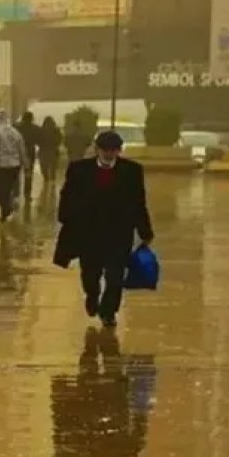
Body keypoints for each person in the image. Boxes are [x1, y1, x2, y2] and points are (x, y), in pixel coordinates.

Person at [54, 131, 154, 328]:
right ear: (97, 149)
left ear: (119, 150)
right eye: (105, 150)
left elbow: (138, 202)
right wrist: (66, 218)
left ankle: (109, 311)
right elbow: (67, 195)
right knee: (90, 273)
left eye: (113, 150)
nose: (109, 154)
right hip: (89, 232)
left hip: (118, 231)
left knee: (115, 275)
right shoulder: (79, 169)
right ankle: (92, 296)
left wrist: (145, 231)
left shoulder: (132, 171)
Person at [0, 108, 28, 223]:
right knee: (7, 190)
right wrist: (25, 164)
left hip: (0, 165)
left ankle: (7, 208)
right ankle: (5, 213)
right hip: (14, 166)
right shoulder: (15, 132)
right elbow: (22, 149)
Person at [15, 111, 42, 202]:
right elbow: (39, 141)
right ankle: (27, 194)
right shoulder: (36, 129)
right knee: (28, 173)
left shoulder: (16, 128)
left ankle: (16, 192)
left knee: (16, 173)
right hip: (29, 152)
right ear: (31, 118)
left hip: (18, 152)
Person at [38, 116, 64, 192]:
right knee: (53, 168)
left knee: (44, 168)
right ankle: (51, 186)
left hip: (44, 151)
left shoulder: (41, 131)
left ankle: (46, 182)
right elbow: (60, 139)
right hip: (53, 151)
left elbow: (38, 140)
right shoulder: (56, 130)